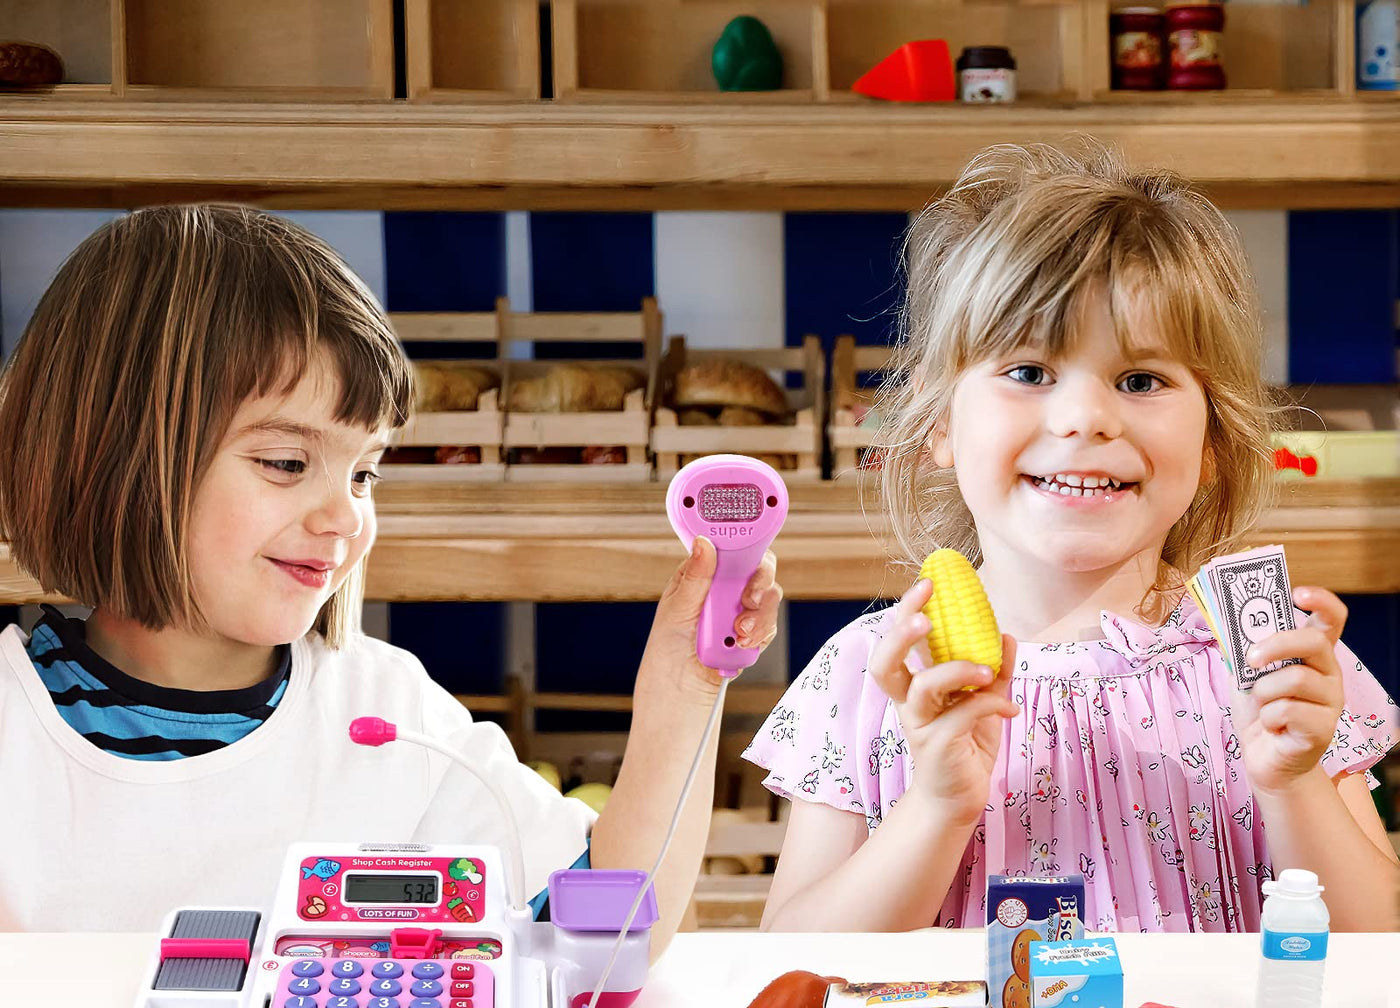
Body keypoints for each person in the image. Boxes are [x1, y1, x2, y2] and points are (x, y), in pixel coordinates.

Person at [0, 205, 781, 942]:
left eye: (365, 474)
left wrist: (688, 683)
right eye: (286, 462)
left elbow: (608, 935)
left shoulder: (389, 717)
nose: (345, 517)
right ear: (113, 457)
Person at [748, 144, 1399, 933]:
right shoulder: (869, 678)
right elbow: (791, 967)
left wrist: (1293, 782)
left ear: (1216, 437)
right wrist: (937, 808)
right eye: (1028, 371)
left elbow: (1377, 948)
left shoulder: (1271, 666)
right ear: (938, 423)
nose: (1087, 417)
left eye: (1140, 380)